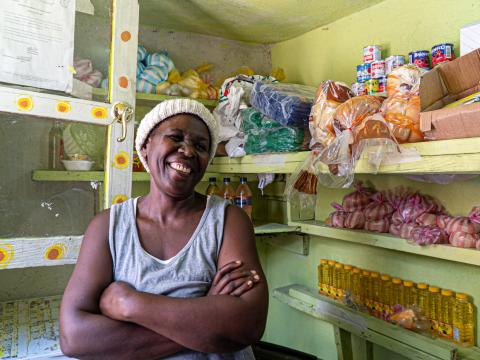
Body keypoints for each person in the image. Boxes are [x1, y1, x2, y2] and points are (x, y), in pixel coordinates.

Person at [59, 99, 268, 359]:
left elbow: (247, 325)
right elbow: (74, 338)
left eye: (201, 146)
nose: (188, 151)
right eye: (175, 137)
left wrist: (129, 304)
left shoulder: (229, 220)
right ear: (145, 147)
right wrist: (204, 312)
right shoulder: (107, 227)